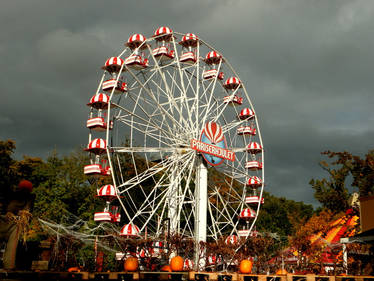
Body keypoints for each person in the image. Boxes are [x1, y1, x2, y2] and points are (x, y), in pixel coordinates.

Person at [0, 180, 35, 270]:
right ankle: (9, 267)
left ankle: (9, 268)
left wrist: (23, 215)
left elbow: (28, 213)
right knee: (11, 249)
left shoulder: (27, 198)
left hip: (14, 224)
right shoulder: (27, 197)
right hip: (8, 222)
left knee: (12, 249)